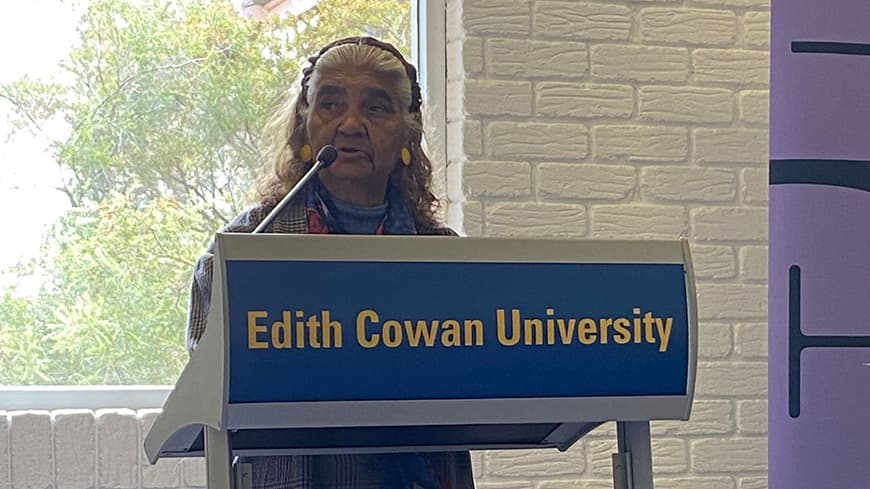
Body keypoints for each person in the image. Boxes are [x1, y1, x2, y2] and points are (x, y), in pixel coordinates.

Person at [184, 36, 474, 489]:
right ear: (305, 126)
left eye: (376, 108)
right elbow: (206, 395)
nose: (351, 124)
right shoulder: (246, 249)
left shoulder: (445, 258)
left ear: (407, 132)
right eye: (331, 104)